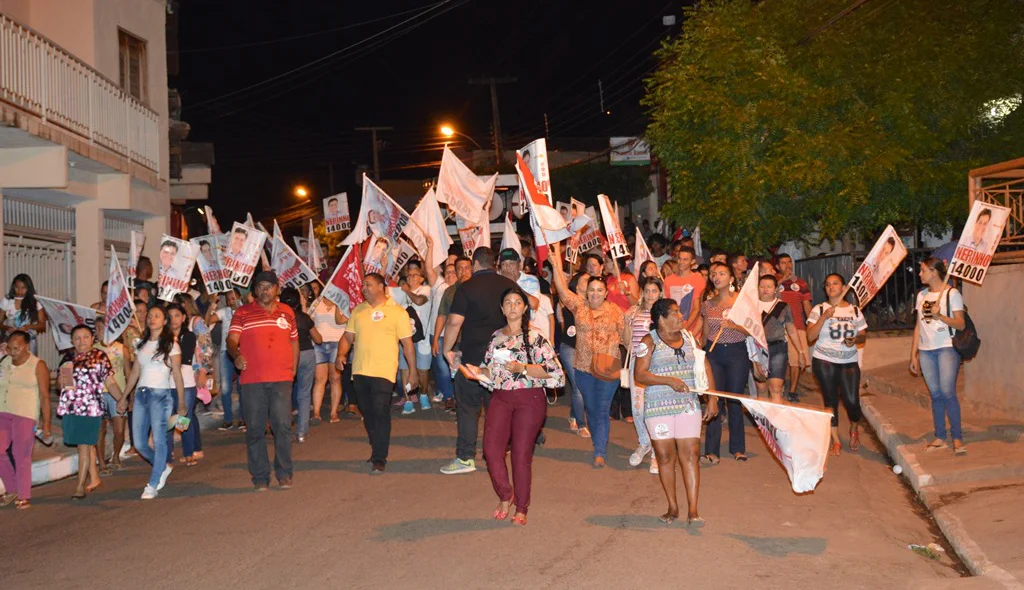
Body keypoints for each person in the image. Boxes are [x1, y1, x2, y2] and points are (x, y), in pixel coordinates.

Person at [461, 287, 565, 525]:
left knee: (520, 453)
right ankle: (505, 494)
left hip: (529, 400)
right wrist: (478, 371)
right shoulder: (496, 337)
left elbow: (556, 374)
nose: (512, 306)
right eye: (507, 302)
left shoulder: (535, 337)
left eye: (517, 302)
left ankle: (521, 506)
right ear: (502, 308)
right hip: (500, 397)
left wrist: (523, 369)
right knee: (491, 450)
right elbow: (491, 369)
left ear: (525, 308)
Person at [634, 299, 718, 525]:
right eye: (676, 313)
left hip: (688, 405)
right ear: (661, 319)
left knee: (690, 454)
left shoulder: (690, 338)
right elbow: (639, 375)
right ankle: (672, 506)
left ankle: (693, 510)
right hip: (658, 407)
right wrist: (668, 381)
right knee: (664, 457)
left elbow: (705, 366)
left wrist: (712, 397)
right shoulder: (648, 341)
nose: (682, 316)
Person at [441, 247, 521, 475]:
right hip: (503, 358)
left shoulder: (466, 288)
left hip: (472, 359)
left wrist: (447, 350)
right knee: (499, 406)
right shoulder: (509, 286)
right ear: (494, 263)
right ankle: (500, 451)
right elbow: (522, 320)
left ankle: (466, 458)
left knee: (467, 408)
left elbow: (454, 322)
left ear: (475, 264)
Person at [549, 243, 624, 468]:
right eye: (591, 289)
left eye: (599, 290)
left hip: (608, 365)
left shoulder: (615, 311)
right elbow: (562, 291)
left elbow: (626, 338)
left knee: (601, 408)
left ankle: (599, 451)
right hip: (582, 366)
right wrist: (556, 265)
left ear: (606, 292)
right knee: (591, 408)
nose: (595, 293)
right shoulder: (579, 307)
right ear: (587, 291)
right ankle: (598, 443)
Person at [336, 273, 417, 474]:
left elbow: (407, 345)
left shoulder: (398, 312)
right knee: (368, 412)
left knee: (380, 412)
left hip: (384, 371)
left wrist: (412, 371)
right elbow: (347, 337)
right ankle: (376, 446)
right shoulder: (358, 311)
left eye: (368, 284)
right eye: (363, 284)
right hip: (360, 370)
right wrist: (340, 353)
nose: (364, 288)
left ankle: (380, 457)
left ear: (382, 287)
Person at [227, 271, 298, 491]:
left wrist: (292, 370)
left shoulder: (287, 313)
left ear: (277, 288)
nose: (264, 290)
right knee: (255, 429)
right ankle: (260, 476)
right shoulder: (243, 313)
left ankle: (284, 473)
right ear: (254, 289)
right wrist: (236, 354)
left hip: (281, 379)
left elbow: (294, 342)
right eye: (259, 286)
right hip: (252, 380)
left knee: (283, 426)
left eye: (268, 286)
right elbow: (232, 339)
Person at [124, 306, 185, 499]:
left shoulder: (171, 345)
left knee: (159, 440)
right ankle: (163, 466)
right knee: (140, 443)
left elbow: (177, 374)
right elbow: (135, 372)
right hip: (141, 395)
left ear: (164, 321)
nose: (152, 319)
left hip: (161, 396)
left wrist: (181, 402)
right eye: (150, 316)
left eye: (157, 316)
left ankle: (153, 483)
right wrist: (125, 396)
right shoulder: (142, 345)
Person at [58, 325, 124, 499]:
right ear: (71, 341)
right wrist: (64, 374)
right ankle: (94, 478)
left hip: (91, 407)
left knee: (84, 446)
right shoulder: (67, 359)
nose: (81, 341)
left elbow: (109, 382)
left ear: (92, 339)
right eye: (77, 338)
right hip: (72, 408)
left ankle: (79, 486)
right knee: (85, 444)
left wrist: (121, 399)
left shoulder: (99, 356)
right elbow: (64, 387)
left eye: (85, 337)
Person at [909, 258, 967, 454]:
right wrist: (913, 354)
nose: (920, 274)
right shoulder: (921, 296)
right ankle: (940, 436)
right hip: (926, 351)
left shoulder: (952, 294)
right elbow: (918, 326)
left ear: (934, 272)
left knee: (947, 392)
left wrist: (940, 316)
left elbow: (961, 324)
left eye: (923, 270)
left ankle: (957, 438)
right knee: (935, 395)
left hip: (946, 348)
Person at [806, 273, 868, 456]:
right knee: (830, 399)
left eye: (835, 283)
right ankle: (836, 440)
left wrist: (855, 338)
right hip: (824, 359)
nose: (831, 287)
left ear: (843, 287)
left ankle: (854, 428)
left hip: (848, 361)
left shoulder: (855, 310)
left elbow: (863, 334)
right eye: (827, 284)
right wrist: (823, 318)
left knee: (852, 401)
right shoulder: (819, 309)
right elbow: (810, 337)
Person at [701, 262, 752, 464]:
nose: (716, 276)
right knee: (714, 399)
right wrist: (702, 353)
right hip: (713, 353)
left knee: (734, 400)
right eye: (713, 273)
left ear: (731, 278)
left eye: (722, 273)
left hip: (736, 353)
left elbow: (752, 330)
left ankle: (738, 448)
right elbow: (706, 331)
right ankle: (711, 451)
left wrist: (733, 326)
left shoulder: (741, 302)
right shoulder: (708, 303)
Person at [0, 331, 51, 509]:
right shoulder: (4, 362)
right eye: (9, 347)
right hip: (3, 412)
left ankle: (23, 495)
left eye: (16, 348)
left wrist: (46, 424)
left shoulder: (38, 365)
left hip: (25, 413)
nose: (12, 352)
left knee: (21, 455)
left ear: (26, 346)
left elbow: (45, 396)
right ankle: (12, 488)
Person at [623, 276, 664, 473]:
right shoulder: (634, 312)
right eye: (646, 291)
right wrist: (626, 324)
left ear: (660, 293)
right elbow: (626, 342)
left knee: (654, 409)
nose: (650, 295)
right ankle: (644, 442)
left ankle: (656, 453)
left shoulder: (665, 313)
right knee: (638, 409)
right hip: (637, 363)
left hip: (657, 365)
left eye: (654, 291)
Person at [391, 264, 433, 413]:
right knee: (404, 369)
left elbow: (419, 301)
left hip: (422, 339)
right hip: (405, 338)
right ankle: (408, 399)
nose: (410, 278)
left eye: (415, 275)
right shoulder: (401, 293)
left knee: (423, 370)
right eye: (408, 275)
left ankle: (423, 395)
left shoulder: (426, 290)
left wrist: (407, 290)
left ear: (422, 278)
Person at [281, 288, 321, 443]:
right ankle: (302, 432)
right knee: (304, 394)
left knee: (283, 395)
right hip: (306, 355)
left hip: (287, 357)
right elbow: (318, 339)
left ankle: (285, 431)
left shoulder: (280, 318)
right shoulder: (304, 318)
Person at [433, 256, 473, 413]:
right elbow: (442, 316)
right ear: (456, 271)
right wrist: (436, 339)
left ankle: (474, 405)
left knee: (475, 373)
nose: (463, 271)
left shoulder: (479, 287)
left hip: (476, 341)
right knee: (457, 374)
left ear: (472, 269)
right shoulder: (450, 292)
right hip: (456, 342)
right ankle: (461, 405)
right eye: (460, 268)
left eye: (467, 267)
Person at [756, 275, 804, 403]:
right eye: (762, 286)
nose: (765, 289)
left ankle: (776, 421)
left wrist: (801, 352)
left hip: (777, 348)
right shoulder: (751, 306)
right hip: (757, 349)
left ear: (776, 289)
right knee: (761, 388)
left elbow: (791, 328)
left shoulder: (783, 306)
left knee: (776, 389)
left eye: (769, 286)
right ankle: (764, 421)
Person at [167, 302, 203, 466]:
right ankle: (167, 454)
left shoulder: (188, 336)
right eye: (170, 316)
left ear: (183, 318)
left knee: (184, 417)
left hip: (186, 381)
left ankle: (189, 452)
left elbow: (185, 356)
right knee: (169, 418)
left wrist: (173, 342)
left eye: (176, 315)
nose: (173, 319)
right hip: (167, 383)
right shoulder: (162, 337)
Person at [93, 316, 128, 474]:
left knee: (119, 430)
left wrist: (129, 396)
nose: (99, 332)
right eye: (97, 329)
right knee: (100, 429)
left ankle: (116, 456)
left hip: (117, 393)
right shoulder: (92, 349)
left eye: (102, 328)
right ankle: (101, 463)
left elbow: (128, 372)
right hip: (99, 394)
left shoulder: (122, 349)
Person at [557, 272, 590, 438]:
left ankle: (573, 414)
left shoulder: (594, 303)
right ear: (577, 286)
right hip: (569, 347)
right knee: (578, 386)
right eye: (585, 280)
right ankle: (582, 424)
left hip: (586, 349)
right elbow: (560, 288)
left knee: (582, 385)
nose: (588, 280)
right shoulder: (570, 301)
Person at [776, 254, 812, 402]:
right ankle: (779, 386)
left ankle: (792, 390)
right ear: (778, 267)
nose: (787, 265)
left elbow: (807, 305)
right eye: (783, 263)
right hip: (777, 328)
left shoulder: (802, 283)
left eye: (789, 262)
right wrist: (781, 281)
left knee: (796, 361)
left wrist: (811, 323)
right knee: (779, 360)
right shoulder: (773, 282)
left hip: (797, 326)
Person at [311, 296, 348, 424]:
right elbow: (309, 320)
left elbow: (342, 321)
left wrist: (338, 305)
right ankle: (316, 413)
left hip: (337, 344)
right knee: (320, 379)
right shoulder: (317, 302)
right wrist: (305, 305)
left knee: (335, 378)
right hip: (319, 344)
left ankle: (333, 412)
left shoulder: (343, 302)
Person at [213, 289, 243, 430]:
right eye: (229, 299)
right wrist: (212, 303)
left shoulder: (246, 310)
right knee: (226, 388)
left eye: (233, 297)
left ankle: (243, 418)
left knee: (243, 386)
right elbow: (208, 320)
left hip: (242, 351)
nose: (232, 301)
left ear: (239, 297)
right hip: (226, 353)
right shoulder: (224, 312)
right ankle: (228, 419)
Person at [0, 274, 47, 355]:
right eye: (16, 287)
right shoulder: (7, 300)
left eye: (23, 288)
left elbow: (42, 325)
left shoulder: (35, 301)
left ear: (29, 288)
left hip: (28, 340)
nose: (19, 291)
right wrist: (7, 328)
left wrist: (27, 327)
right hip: (10, 340)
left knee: (28, 365)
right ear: (13, 287)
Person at [663, 246, 705, 337]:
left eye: (685, 260)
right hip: (672, 328)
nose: (681, 262)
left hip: (691, 331)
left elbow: (696, 308)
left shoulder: (698, 279)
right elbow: (666, 305)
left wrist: (684, 328)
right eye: (679, 259)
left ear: (693, 262)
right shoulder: (669, 280)